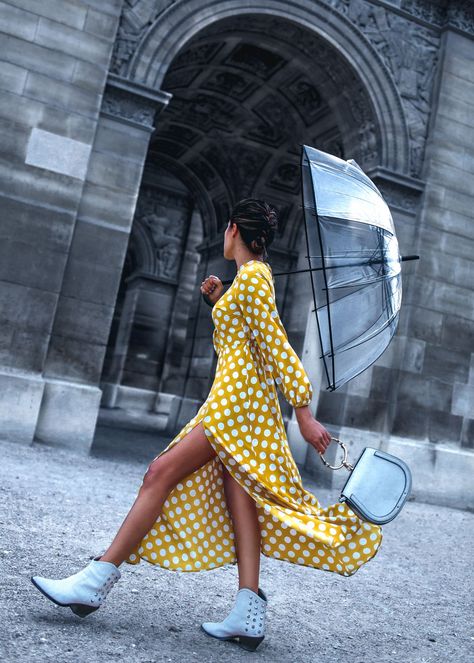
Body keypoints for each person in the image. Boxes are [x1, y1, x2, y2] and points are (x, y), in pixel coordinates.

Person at [30, 198, 383, 652]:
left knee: (160, 473)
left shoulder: (255, 279)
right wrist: (220, 299)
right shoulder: (250, 281)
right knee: (242, 501)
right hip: (233, 403)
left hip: (235, 408)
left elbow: (278, 349)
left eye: (226, 228)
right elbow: (245, 343)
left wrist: (303, 412)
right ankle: (248, 611)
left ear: (233, 229)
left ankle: (96, 580)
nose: (224, 234)